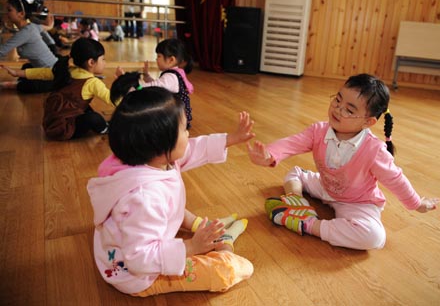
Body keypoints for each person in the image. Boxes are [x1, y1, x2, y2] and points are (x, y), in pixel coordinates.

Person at [86, 86, 255, 296]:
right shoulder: (144, 198)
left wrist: (230, 139)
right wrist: (192, 247)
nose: (188, 133)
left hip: (127, 239)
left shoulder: (150, 158)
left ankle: (200, 227)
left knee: (172, 205)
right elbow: (139, 259)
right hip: (134, 274)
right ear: (161, 146)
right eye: (184, 129)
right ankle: (224, 244)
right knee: (226, 270)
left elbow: (193, 148)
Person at [247, 73, 440, 251]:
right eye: (337, 100)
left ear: (368, 122)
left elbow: (396, 179)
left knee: (373, 237)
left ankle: (306, 223)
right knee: (294, 173)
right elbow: (292, 143)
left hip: (357, 202)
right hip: (325, 186)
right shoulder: (318, 131)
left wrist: (417, 203)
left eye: (349, 110)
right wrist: (269, 155)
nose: (338, 109)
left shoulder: (374, 150)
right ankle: (297, 202)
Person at [1, 38, 121, 140]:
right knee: (93, 117)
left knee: (87, 108)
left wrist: (17, 73)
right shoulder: (93, 83)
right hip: (65, 129)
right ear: (91, 62)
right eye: (103, 59)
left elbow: (42, 73)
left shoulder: (66, 71)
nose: (105, 62)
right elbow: (112, 100)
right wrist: (129, 91)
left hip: (51, 123)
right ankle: (105, 128)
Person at [0, 0, 58, 93]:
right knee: (26, 67)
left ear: (21, 14)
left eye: (9, 10)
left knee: (31, 85)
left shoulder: (25, 32)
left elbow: (1, 51)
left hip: (53, 73)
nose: (7, 13)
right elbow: (48, 27)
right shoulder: (33, 26)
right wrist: (50, 23)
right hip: (45, 69)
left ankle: (15, 85)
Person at [140, 38, 194, 129]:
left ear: (171, 60)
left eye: (159, 56)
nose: (156, 59)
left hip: (176, 118)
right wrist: (146, 76)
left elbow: (156, 86)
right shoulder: (173, 73)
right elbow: (158, 86)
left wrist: (138, 87)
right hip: (177, 115)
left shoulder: (171, 76)